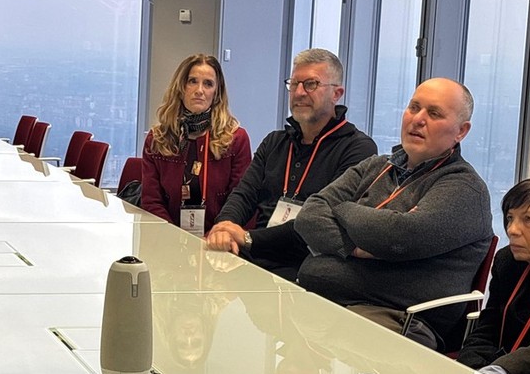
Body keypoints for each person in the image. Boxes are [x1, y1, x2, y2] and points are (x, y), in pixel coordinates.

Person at [294, 77, 493, 349]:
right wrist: (355, 246)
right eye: (414, 107)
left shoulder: (464, 188)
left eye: (434, 113)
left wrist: (343, 208)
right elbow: (309, 215)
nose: (418, 119)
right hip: (332, 304)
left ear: (461, 131)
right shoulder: (376, 166)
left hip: (401, 321)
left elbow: (399, 237)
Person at [206, 48, 377, 279]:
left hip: (306, 267)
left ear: (337, 94)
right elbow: (244, 194)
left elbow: (320, 221)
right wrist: (224, 226)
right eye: (294, 83)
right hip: (254, 258)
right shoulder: (275, 142)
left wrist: (248, 238)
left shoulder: (358, 149)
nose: (299, 92)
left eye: (311, 84)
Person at [139, 54, 251, 237]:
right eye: (192, 81)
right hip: (167, 239)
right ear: (181, 87)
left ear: (217, 93)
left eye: (208, 84)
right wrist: (174, 238)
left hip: (218, 241)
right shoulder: (158, 139)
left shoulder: (235, 139)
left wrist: (215, 236)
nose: (199, 90)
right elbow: (151, 201)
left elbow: (240, 200)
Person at [457, 176, 530, 368]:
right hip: (493, 372)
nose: (512, 230)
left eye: (528, 219)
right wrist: (474, 370)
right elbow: (487, 330)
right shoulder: (508, 262)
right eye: (510, 218)